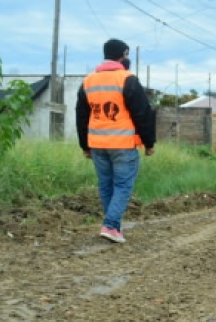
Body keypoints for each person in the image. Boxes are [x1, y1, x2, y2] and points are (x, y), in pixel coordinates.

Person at [76, 39, 155, 244]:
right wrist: (149, 142)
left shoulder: (88, 81)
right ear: (124, 54)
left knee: (106, 185)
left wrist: (85, 145)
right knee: (122, 185)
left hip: (97, 144)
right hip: (122, 143)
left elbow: (81, 116)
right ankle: (110, 226)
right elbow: (142, 113)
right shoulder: (127, 79)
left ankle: (114, 227)